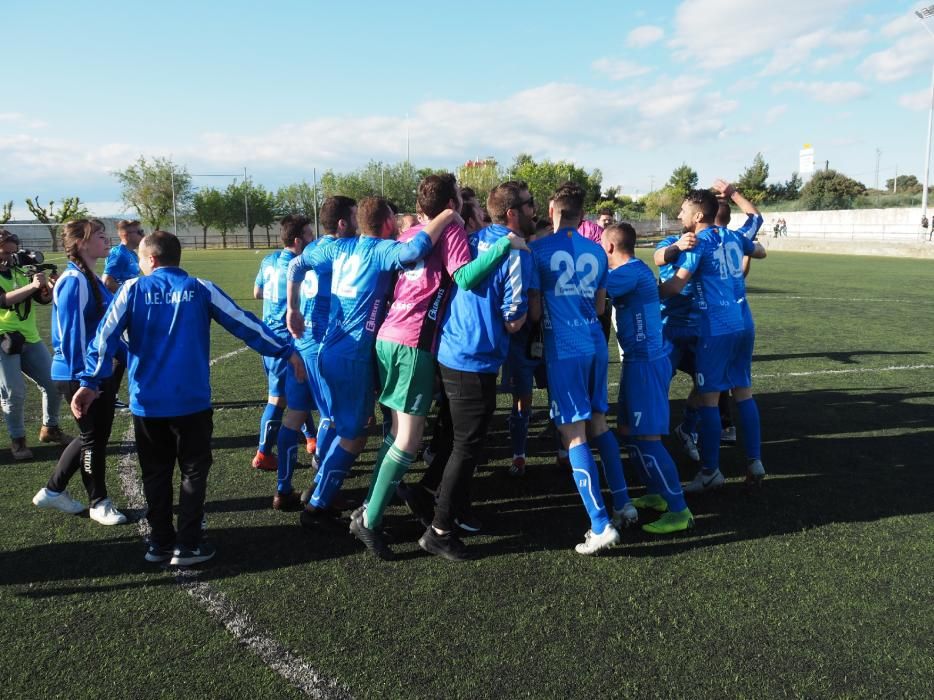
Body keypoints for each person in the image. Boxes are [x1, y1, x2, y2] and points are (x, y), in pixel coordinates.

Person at [71, 230, 304, 566]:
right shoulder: (200, 288)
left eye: (139, 258)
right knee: (194, 471)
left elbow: (103, 337)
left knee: (155, 472)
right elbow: (245, 324)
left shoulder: (132, 289)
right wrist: (285, 350)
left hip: (147, 404)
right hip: (191, 402)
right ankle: (190, 544)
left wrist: (90, 382)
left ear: (151, 259)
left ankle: (160, 543)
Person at [349, 174, 526, 560]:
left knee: (396, 435)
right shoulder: (450, 233)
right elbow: (464, 276)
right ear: (453, 204)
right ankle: (371, 519)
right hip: (413, 342)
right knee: (410, 440)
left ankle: (369, 507)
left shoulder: (412, 233)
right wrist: (505, 248)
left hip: (388, 337)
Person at [286, 197, 455, 534]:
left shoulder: (338, 248)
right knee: (353, 437)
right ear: (388, 224)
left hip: (329, 350)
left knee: (342, 425)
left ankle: (319, 489)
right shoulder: (379, 251)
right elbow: (414, 250)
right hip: (351, 355)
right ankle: (318, 503)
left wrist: (293, 308)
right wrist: (448, 215)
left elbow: (295, 266)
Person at [399, 181, 533, 561]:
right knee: (467, 444)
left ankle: (434, 498)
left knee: (456, 438)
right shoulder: (516, 251)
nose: (532, 211)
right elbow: (512, 320)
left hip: (449, 349)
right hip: (475, 355)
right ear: (511, 213)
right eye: (527, 204)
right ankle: (439, 530)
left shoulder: (470, 239)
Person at [527, 183, 634, 554]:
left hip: (565, 350)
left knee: (574, 435)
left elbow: (536, 312)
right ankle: (623, 503)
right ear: (582, 213)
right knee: (599, 423)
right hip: (594, 344)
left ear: (553, 210)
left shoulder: (538, 250)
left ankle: (600, 524)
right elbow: (602, 308)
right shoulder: (597, 251)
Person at [658, 190, 766, 493]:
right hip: (744, 323)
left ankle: (710, 471)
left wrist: (644, 293)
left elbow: (676, 285)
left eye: (682, 211)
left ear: (698, 216)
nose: (679, 215)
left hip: (715, 329)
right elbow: (760, 250)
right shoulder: (732, 237)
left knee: (709, 399)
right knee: (743, 393)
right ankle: (754, 461)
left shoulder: (697, 243)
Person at [602, 222, 693, 534]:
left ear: (610, 247)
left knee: (649, 440)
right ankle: (655, 493)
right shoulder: (632, 270)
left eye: (601, 245)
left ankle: (680, 510)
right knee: (627, 431)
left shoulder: (627, 272)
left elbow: (593, 291)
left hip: (645, 363)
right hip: (635, 361)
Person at [33, 219, 126, 523]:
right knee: (94, 438)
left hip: (91, 371)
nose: (107, 240)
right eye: (100, 236)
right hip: (80, 373)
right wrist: (88, 379)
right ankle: (98, 502)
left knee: (92, 435)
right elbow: (74, 336)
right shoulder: (75, 281)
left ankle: (53, 490)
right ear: (83, 242)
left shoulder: (89, 277)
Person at [276, 197, 356, 510]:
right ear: (342, 221)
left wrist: (293, 310)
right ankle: (321, 485)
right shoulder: (336, 250)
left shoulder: (311, 249)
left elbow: (294, 269)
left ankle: (283, 488)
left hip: (299, 344)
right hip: (320, 345)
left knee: (294, 417)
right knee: (332, 419)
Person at [251, 214, 317, 473]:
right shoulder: (302, 265)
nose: (313, 239)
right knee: (277, 400)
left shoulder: (269, 259)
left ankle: (311, 439)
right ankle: (263, 453)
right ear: (299, 240)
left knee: (297, 391)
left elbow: (256, 292)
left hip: (268, 337)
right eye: (311, 235)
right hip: (285, 342)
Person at [0, 229, 68, 460]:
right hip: (3, 338)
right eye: (4, 252)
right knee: (14, 392)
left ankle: (50, 428)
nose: (8, 257)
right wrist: (32, 286)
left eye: (12, 252)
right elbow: (3, 301)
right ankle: (18, 441)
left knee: (54, 383)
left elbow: (42, 299)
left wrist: (48, 286)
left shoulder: (19, 268)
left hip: (29, 336)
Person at [101, 219, 143, 292]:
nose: (143, 235)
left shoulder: (132, 253)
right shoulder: (119, 254)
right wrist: (129, 294)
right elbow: (107, 282)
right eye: (139, 232)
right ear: (126, 234)